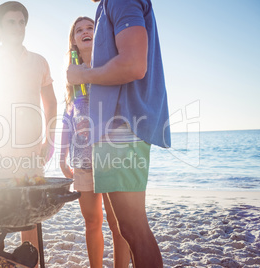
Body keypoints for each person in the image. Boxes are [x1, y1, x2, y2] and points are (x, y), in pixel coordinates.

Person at [67, 0, 171, 267]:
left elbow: (134, 65)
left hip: (121, 128)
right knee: (130, 230)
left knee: (134, 230)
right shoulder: (107, 5)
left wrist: (84, 75)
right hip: (114, 130)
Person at [0, 1, 57, 264]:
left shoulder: (39, 62)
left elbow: (52, 103)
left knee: (30, 216)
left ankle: (28, 263)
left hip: (31, 153)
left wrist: (50, 138)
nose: (18, 26)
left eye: (22, 22)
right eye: (11, 21)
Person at [60, 16, 131, 268]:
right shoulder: (71, 79)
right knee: (92, 222)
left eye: (90, 27)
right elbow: (67, 119)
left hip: (111, 156)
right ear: (74, 41)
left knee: (118, 223)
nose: (85, 31)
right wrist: (61, 156)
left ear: (99, 34)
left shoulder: (109, 66)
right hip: (82, 160)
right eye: (79, 30)